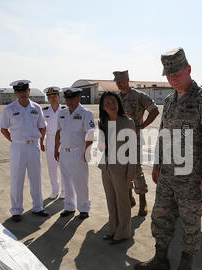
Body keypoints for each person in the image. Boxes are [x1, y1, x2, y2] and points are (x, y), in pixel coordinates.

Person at [134, 48, 202, 270]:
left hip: (192, 179)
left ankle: (185, 266)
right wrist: (157, 164)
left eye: (176, 72)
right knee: (161, 217)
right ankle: (161, 257)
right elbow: (163, 136)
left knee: (190, 222)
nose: (172, 77)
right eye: (168, 74)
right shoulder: (169, 100)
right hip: (167, 176)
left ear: (188, 69)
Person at [0, 80, 47, 222]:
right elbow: (3, 129)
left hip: (33, 146)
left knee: (36, 178)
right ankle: (16, 210)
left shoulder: (36, 107)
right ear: (15, 93)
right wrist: (14, 140)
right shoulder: (9, 109)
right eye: (19, 91)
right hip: (18, 147)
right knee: (16, 179)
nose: (22, 94)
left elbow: (42, 127)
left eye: (24, 91)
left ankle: (38, 207)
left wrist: (41, 141)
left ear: (29, 91)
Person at [114, 70, 160, 216]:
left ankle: (142, 199)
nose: (119, 84)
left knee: (136, 170)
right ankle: (129, 196)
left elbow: (154, 111)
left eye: (121, 81)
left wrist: (142, 126)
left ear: (128, 79)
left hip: (134, 139)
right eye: (117, 81)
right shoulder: (115, 98)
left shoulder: (139, 96)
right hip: (119, 139)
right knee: (122, 169)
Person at [98, 91, 136, 244]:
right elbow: (101, 146)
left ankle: (123, 232)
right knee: (110, 199)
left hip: (121, 167)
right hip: (106, 165)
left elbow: (133, 149)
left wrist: (131, 172)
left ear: (118, 103)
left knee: (122, 201)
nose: (111, 105)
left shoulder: (127, 122)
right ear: (103, 107)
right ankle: (112, 229)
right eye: (107, 103)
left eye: (113, 101)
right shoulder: (103, 122)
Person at [55, 87, 95, 220]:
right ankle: (69, 207)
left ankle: (84, 208)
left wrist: (87, 152)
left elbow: (90, 134)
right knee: (66, 181)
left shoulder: (85, 113)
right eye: (67, 98)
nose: (69, 101)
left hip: (78, 152)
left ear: (78, 98)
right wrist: (56, 149)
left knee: (80, 182)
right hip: (64, 152)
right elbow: (58, 132)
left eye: (72, 98)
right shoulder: (62, 113)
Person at [41, 87, 66, 199]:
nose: (52, 99)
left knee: (64, 167)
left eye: (54, 96)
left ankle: (65, 190)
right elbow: (42, 128)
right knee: (52, 167)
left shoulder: (65, 110)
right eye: (50, 97)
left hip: (63, 141)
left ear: (58, 97)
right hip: (50, 140)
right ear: (48, 99)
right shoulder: (45, 111)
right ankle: (54, 190)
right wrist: (41, 141)